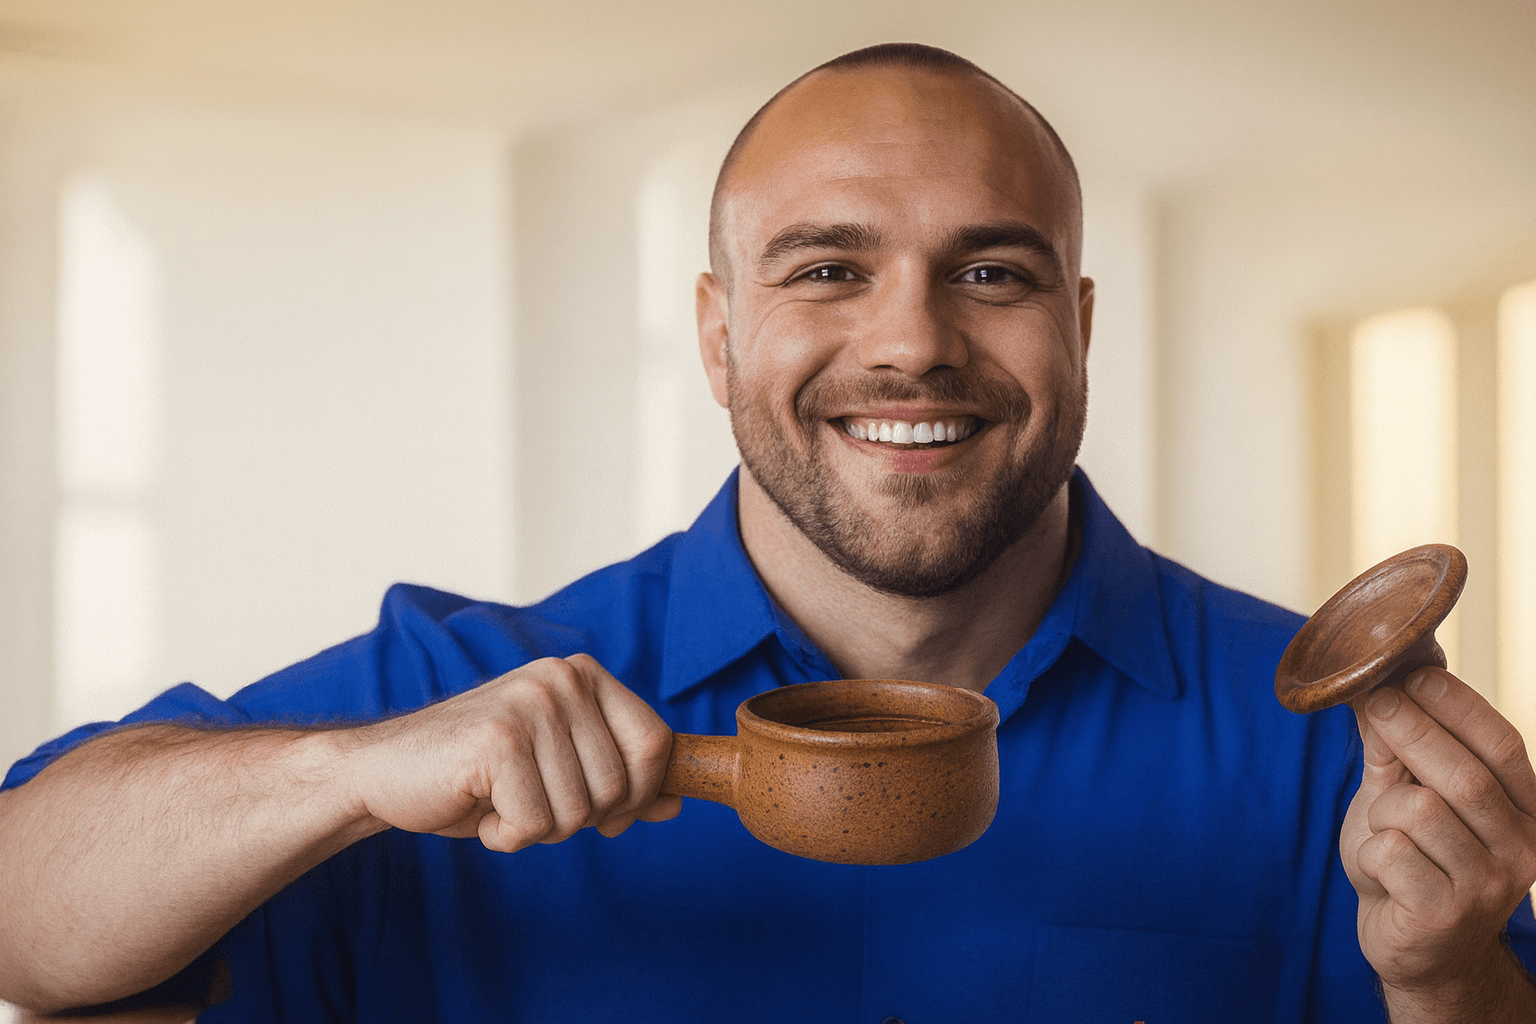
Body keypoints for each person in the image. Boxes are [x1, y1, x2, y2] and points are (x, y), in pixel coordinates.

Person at [3, 42, 1535, 1024]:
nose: (912, 345)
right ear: (718, 334)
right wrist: (342, 773)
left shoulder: (1322, 758)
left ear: (1078, 328)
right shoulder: (443, 701)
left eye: (989, 275)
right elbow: (22, 923)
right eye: (826, 271)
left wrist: (1457, 986)